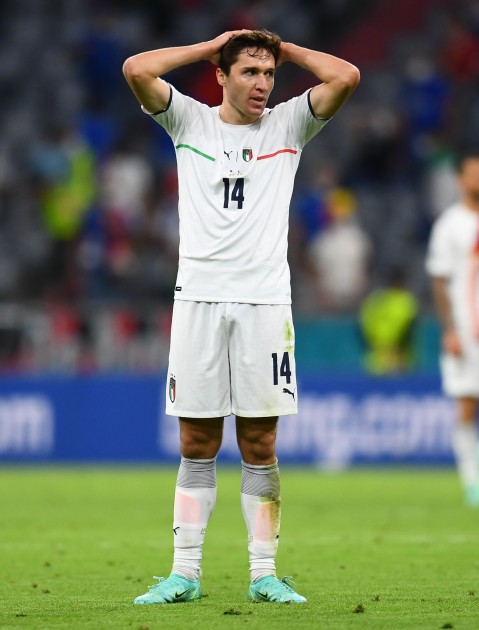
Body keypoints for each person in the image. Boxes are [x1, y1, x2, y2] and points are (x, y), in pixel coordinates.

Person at [123, 28, 359, 604]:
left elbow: (346, 77)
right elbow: (136, 68)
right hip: (199, 299)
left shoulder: (288, 125)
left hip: (265, 303)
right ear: (223, 76)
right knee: (196, 440)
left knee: (260, 441)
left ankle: (263, 574)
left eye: (269, 74)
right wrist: (209, 48)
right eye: (249, 72)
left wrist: (286, 50)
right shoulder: (189, 122)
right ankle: (184, 573)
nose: (262, 84)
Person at [426, 152, 479, 507]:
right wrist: (450, 329)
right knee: (466, 405)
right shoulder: (450, 224)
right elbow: (440, 282)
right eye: (473, 173)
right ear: (460, 180)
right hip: (466, 329)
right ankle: (471, 481)